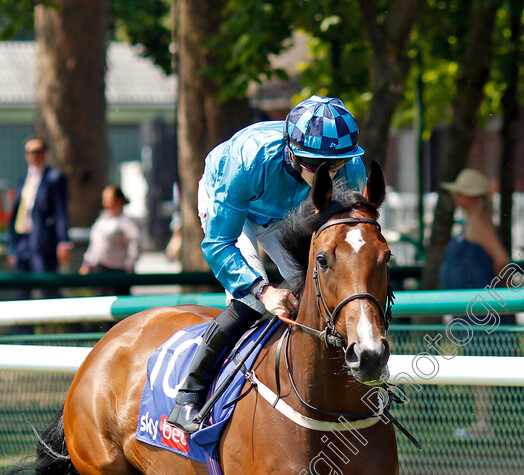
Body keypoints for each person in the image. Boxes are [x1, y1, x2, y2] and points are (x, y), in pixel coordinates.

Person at [168, 95, 367, 433]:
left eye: (335, 166)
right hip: (236, 204)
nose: (328, 174)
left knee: (319, 290)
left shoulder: (352, 169)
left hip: (287, 213)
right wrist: (263, 291)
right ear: (291, 151)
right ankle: (189, 395)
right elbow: (219, 244)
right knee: (251, 302)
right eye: (315, 165)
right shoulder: (248, 161)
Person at [440, 168, 511, 440]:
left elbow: (502, 260)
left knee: (483, 364)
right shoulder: (471, 221)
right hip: (470, 314)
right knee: (478, 363)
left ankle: (483, 424)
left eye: (460, 192)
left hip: (479, 313)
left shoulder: (479, 223)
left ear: (467, 197)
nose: (456, 196)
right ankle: (481, 422)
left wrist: (491, 297)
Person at [7, 135, 71, 278]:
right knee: (21, 287)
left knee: (46, 285)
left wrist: (63, 242)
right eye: (29, 152)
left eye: (37, 151)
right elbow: (18, 211)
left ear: (45, 153)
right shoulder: (24, 178)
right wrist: (12, 247)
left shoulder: (54, 177)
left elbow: (60, 212)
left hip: (43, 240)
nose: (33, 155)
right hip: (22, 240)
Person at [80, 185, 140, 288]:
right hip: (100, 268)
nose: (105, 203)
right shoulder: (101, 219)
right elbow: (95, 244)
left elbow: (134, 244)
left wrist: (129, 264)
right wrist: (87, 262)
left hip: (117, 270)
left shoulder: (125, 222)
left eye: (109, 199)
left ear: (119, 201)